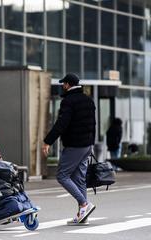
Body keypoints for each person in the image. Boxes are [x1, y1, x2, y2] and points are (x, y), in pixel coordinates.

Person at [42, 73, 96, 225]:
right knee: (79, 179)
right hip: (87, 145)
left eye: (63, 84)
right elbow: (93, 124)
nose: (62, 87)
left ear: (67, 85)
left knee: (62, 175)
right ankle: (82, 215)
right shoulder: (88, 100)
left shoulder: (69, 102)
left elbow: (61, 124)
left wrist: (47, 142)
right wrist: (91, 142)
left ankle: (84, 203)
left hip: (75, 145)